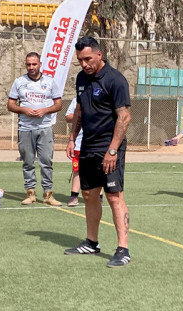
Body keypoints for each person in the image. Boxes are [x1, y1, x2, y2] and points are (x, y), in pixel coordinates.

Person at [65, 36, 132, 268]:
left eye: (87, 59)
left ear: (99, 54)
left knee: (114, 197)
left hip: (109, 147)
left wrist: (112, 150)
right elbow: (80, 111)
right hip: (88, 147)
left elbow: (124, 117)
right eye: (80, 60)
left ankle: (123, 249)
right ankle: (91, 242)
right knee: (89, 195)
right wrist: (72, 138)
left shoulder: (115, 80)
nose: (84, 64)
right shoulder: (82, 78)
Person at [7, 52, 62, 207]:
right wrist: (23, 109)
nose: (31, 67)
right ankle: (30, 193)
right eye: (28, 64)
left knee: (46, 161)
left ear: (40, 64)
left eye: (34, 64)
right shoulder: (19, 82)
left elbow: (59, 104)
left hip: (45, 128)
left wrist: (45, 110)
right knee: (28, 162)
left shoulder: (50, 82)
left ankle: (48, 194)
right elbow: (10, 105)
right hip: (25, 128)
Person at [65, 97, 83, 207]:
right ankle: (74, 196)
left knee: (96, 172)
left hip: (96, 143)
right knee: (77, 170)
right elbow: (68, 117)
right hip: (79, 143)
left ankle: (98, 198)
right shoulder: (77, 99)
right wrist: (82, 115)